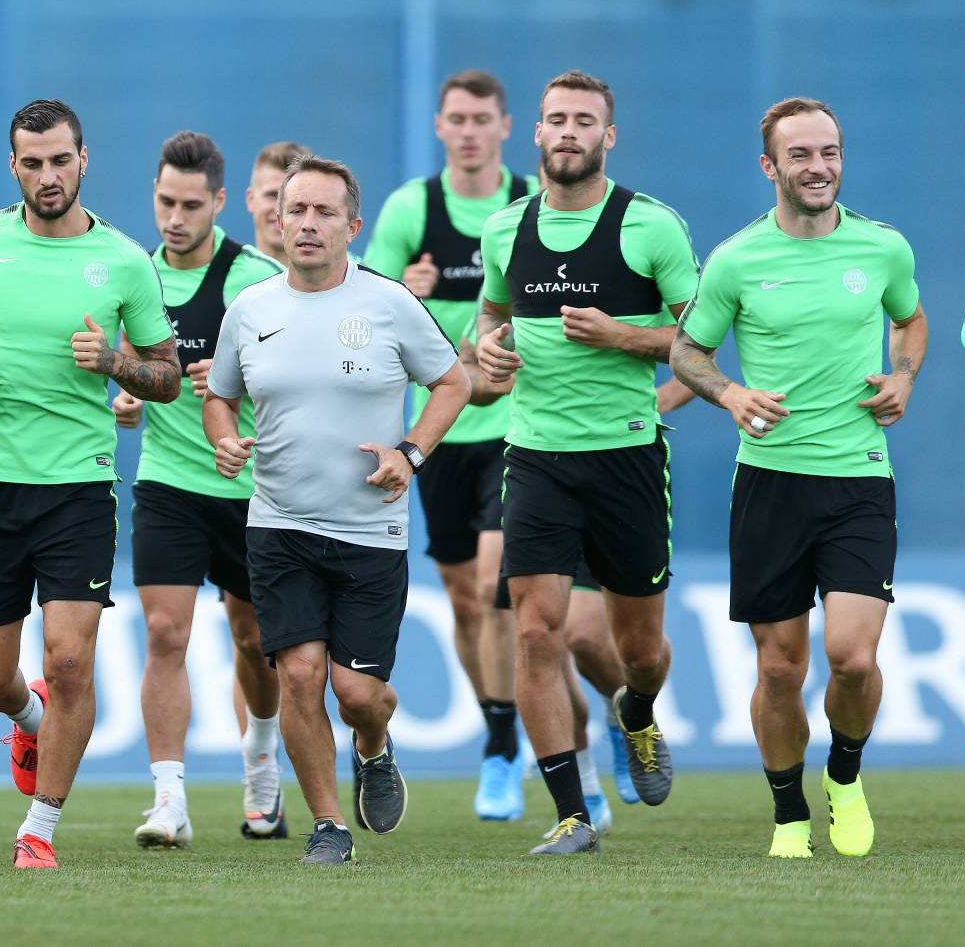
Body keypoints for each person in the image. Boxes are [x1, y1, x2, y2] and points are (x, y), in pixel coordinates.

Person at [0, 99, 180, 869]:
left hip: (76, 490)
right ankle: (26, 719)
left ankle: (39, 830)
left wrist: (115, 363)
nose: (48, 175)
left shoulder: (125, 261)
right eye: (34, 162)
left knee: (69, 661)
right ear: (13, 166)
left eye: (61, 160)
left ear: (84, 159)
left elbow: (166, 377)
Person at [671, 97, 926, 859]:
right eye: (802, 156)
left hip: (857, 480)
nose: (819, 168)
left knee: (852, 658)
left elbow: (910, 319)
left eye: (830, 152)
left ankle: (844, 780)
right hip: (770, 486)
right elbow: (688, 351)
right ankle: (788, 817)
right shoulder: (737, 259)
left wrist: (904, 377)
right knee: (780, 670)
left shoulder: (883, 248)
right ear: (770, 167)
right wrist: (730, 393)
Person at [204, 155, 470, 864]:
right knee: (299, 674)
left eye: (325, 213)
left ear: (353, 226)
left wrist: (408, 453)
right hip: (278, 524)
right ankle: (329, 825)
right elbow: (217, 396)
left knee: (357, 694)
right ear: (277, 221)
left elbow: (452, 382)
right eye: (297, 211)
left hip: (369, 531)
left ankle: (375, 745)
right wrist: (226, 441)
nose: (309, 224)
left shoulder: (387, 304)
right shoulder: (251, 309)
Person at [476, 69, 699, 855]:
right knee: (537, 632)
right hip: (535, 458)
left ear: (609, 136)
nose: (567, 131)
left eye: (584, 121)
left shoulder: (651, 227)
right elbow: (491, 318)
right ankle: (571, 813)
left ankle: (634, 714)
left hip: (628, 459)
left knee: (640, 652)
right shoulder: (505, 230)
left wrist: (622, 338)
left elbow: (699, 340)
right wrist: (488, 351)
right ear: (535, 135)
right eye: (555, 119)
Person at [364, 69, 537, 821]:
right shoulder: (414, 208)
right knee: (468, 602)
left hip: (521, 424)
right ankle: (503, 731)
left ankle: (504, 750)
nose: (468, 131)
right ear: (440, 127)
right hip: (438, 430)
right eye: (456, 119)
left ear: (505, 127)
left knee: (501, 578)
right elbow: (364, 306)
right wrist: (405, 285)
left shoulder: (532, 204)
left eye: (481, 119)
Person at [112, 131, 286, 847]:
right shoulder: (134, 276)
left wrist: (232, 383)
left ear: (220, 203)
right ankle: (169, 801)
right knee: (164, 634)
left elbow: (289, 382)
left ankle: (260, 762)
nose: (174, 218)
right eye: (164, 202)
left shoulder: (254, 279)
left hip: (249, 487)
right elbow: (134, 379)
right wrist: (127, 402)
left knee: (254, 640)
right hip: (169, 483)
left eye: (190, 205)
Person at [244, 141, 311, 264]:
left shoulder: (345, 276)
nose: (281, 210)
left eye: (294, 198)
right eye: (273, 195)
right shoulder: (229, 279)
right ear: (250, 200)